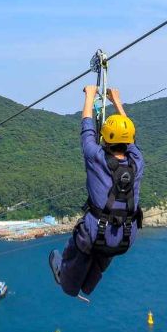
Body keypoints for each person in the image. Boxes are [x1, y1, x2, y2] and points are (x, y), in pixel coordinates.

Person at [49, 85, 144, 298]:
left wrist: (90, 97)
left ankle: (67, 280)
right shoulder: (137, 161)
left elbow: (87, 130)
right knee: (102, 254)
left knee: (78, 253)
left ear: (106, 138)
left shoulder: (95, 156)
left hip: (93, 234)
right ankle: (88, 285)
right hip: (125, 237)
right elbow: (131, 137)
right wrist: (117, 101)